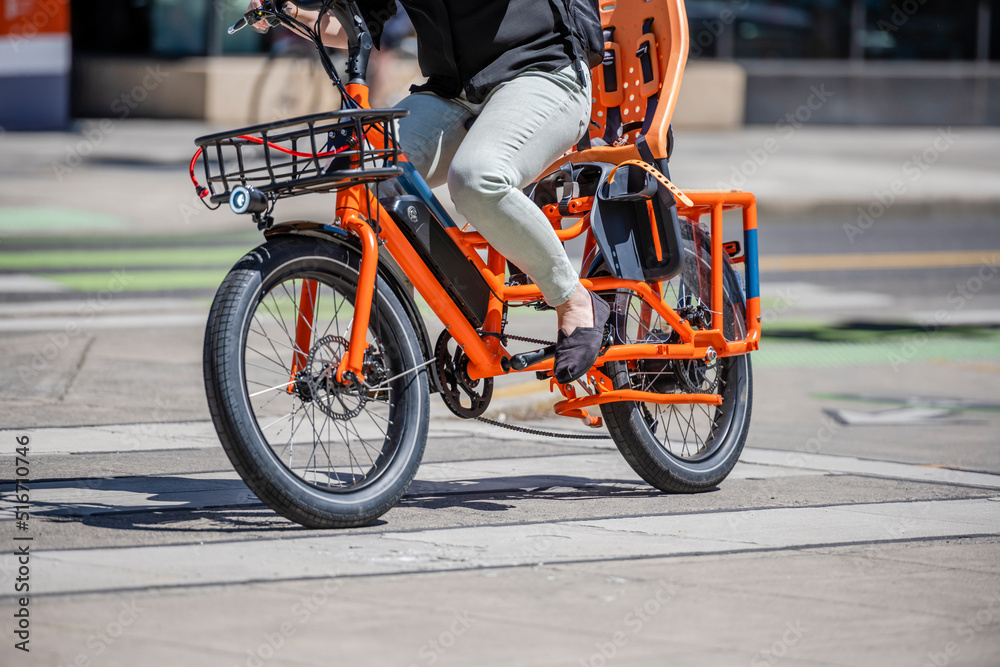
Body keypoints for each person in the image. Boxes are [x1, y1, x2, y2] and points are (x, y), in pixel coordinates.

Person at [248, 0, 610, 384]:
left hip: (542, 72)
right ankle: (400, 329)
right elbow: (356, 27)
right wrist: (292, 13)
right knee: (370, 173)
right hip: (449, 93)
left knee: (476, 179)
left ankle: (574, 299)